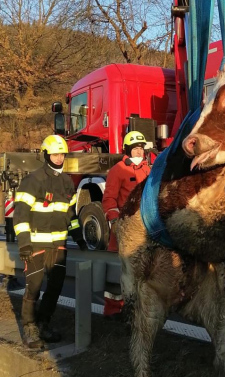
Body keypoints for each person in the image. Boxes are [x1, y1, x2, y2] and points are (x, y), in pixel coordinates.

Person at [13, 134, 88, 348]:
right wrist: (24, 243)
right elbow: (20, 215)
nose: (59, 158)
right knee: (34, 287)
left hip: (59, 246)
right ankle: (30, 328)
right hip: (36, 245)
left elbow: (70, 215)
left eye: (62, 154)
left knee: (55, 288)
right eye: (55, 154)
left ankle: (44, 323)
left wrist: (79, 238)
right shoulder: (33, 180)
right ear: (46, 154)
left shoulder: (66, 182)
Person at [101, 131, 152, 316]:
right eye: (136, 149)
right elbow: (109, 199)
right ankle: (113, 310)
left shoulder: (148, 170)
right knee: (117, 270)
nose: (139, 152)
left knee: (141, 270)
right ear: (129, 151)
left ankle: (136, 309)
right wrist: (115, 221)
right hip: (123, 228)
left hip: (143, 228)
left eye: (141, 149)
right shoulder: (118, 170)